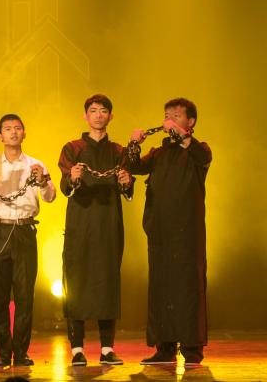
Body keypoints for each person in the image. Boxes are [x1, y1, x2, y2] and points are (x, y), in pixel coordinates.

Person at [126, 98, 211, 367]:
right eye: (166, 115)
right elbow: (135, 167)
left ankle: (192, 349)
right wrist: (134, 144)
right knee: (161, 287)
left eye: (176, 115)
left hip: (187, 233)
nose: (169, 120)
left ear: (190, 121)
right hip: (159, 232)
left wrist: (181, 135)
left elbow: (203, 157)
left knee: (187, 287)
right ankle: (164, 348)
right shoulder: (159, 153)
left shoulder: (198, 150)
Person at [57, 95, 133, 366]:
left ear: (111, 116)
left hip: (108, 224)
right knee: (76, 281)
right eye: (93, 110)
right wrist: (72, 178)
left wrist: (126, 182)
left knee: (107, 280)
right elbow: (65, 185)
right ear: (85, 116)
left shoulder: (119, 151)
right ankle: (77, 349)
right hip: (80, 224)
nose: (98, 115)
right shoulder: (72, 148)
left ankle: (107, 349)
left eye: (103, 111)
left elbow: (127, 187)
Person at [0, 114, 56, 367]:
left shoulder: (35, 164)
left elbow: (50, 197)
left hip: (24, 231)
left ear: (24, 133)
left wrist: (42, 180)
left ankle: (21, 352)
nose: (13, 132)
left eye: (17, 128)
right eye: (8, 129)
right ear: (0, 136)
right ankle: (3, 352)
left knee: (24, 296)